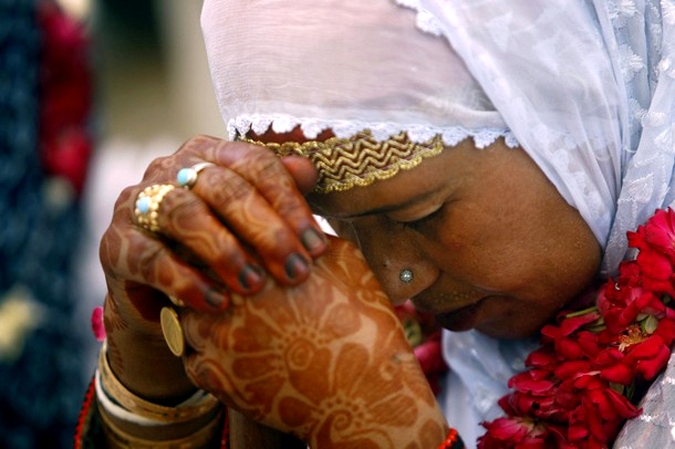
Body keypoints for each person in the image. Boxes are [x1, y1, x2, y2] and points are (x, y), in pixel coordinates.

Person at [75, 0, 675, 448]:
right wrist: (153, 384)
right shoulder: (399, 337)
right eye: (337, 223)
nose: (393, 284)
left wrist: (377, 422)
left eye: (420, 214)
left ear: (583, 111)